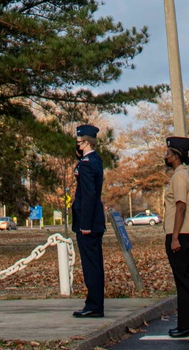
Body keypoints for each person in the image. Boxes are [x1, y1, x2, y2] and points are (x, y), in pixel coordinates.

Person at [164, 135, 189, 339]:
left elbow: (180, 206)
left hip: (180, 232)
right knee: (186, 279)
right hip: (185, 231)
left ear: (176, 155)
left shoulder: (180, 175)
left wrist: (175, 236)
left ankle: (186, 325)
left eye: (168, 153)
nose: (166, 156)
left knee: (183, 281)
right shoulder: (184, 173)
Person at [71, 124, 106, 320]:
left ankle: (93, 305)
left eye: (79, 142)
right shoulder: (95, 160)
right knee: (95, 264)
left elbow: (88, 195)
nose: (77, 146)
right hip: (96, 221)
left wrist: (85, 224)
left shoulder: (86, 164)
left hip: (88, 223)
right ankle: (95, 303)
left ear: (85, 142)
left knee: (91, 265)